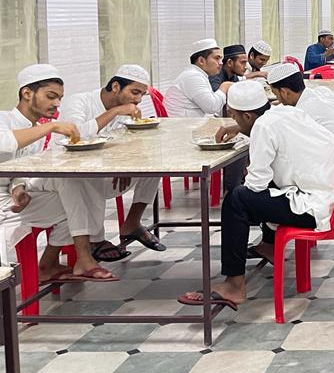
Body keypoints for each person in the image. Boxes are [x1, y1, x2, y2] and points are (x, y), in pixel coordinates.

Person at [178, 81, 334, 308]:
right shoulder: (285, 112)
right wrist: (241, 129)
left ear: (248, 115)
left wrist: (249, 173)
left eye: (235, 116)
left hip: (320, 207)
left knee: (236, 199)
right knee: (265, 187)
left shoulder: (263, 127)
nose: (233, 120)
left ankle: (234, 285)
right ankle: (269, 245)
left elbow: (255, 185)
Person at [56, 65, 166, 279]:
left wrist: (126, 163)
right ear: (116, 86)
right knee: (88, 174)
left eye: (142, 94)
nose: (138, 100)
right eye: (135, 92)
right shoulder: (79, 101)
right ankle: (96, 240)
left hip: (112, 173)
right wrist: (115, 112)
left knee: (154, 164)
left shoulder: (127, 107)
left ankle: (132, 222)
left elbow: (130, 139)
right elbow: (75, 136)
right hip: (76, 174)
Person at [0, 65, 81, 283]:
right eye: (51, 96)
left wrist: (19, 188)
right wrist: (51, 127)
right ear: (27, 93)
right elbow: (4, 144)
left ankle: (47, 265)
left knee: (77, 199)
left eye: (59, 98)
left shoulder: (35, 128)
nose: (57, 104)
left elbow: (19, 170)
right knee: (73, 201)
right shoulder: (4, 119)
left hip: (10, 201)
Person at [263, 62, 334, 153]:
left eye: (276, 95)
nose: (279, 100)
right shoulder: (323, 91)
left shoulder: (301, 115)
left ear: (284, 92)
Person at [164, 39, 230, 117]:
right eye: (217, 58)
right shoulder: (192, 77)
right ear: (201, 61)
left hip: (190, 122)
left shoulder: (198, 75)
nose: (221, 63)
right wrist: (224, 87)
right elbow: (212, 107)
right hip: (181, 124)